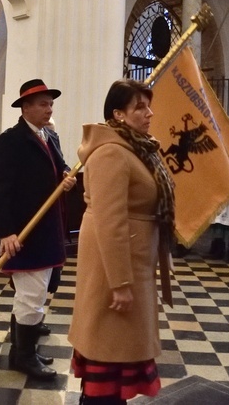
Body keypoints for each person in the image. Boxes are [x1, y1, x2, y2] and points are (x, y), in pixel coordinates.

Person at [69, 79, 173, 403]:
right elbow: (109, 220)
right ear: (118, 114)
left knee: (118, 354)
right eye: (139, 107)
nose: (149, 113)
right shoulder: (111, 153)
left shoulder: (137, 148)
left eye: (148, 105)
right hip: (115, 265)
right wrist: (120, 283)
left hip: (133, 259)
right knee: (107, 354)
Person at [0, 79, 76, 380]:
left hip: (47, 228)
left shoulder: (47, 137)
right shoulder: (11, 140)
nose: (48, 108)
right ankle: (24, 357)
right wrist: (6, 231)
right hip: (25, 231)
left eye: (50, 103)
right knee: (31, 295)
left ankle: (22, 349)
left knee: (34, 293)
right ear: (25, 107)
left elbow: (60, 167)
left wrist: (67, 177)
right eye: (42, 104)